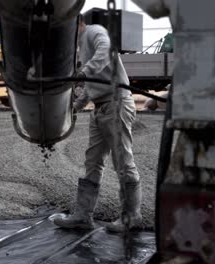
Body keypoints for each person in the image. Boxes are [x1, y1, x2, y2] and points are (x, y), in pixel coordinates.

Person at [53, 15, 142, 232]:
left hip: (117, 104)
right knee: (92, 162)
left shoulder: (94, 32)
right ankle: (83, 216)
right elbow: (91, 85)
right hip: (101, 108)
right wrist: (76, 105)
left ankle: (132, 217)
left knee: (123, 161)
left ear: (77, 23)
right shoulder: (82, 45)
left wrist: (83, 73)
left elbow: (106, 50)